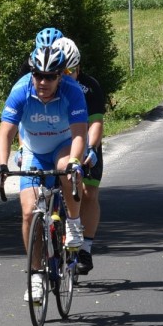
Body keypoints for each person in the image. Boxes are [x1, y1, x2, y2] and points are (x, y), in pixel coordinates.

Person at [0, 43, 87, 301]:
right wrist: (1, 165)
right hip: (34, 150)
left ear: (60, 75)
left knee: (64, 169)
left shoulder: (72, 91)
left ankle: (74, 223)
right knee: (28, 212)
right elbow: (5, 133)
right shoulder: (20, 90)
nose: (42, 81)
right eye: (38, 75)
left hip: (64, 145)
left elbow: (80, 133)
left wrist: (76, 160)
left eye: (49, 76)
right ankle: (36, 275)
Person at [52, 37, 106, 275]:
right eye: (60, 71)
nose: (65, 75)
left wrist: (92, 149)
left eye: (70, 70)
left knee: (88, 192)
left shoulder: (89, 86)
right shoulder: (48, 85)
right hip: (56, 142)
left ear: (79, 67)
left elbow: (95, 123)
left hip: (85, 141)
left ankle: (85, 247)